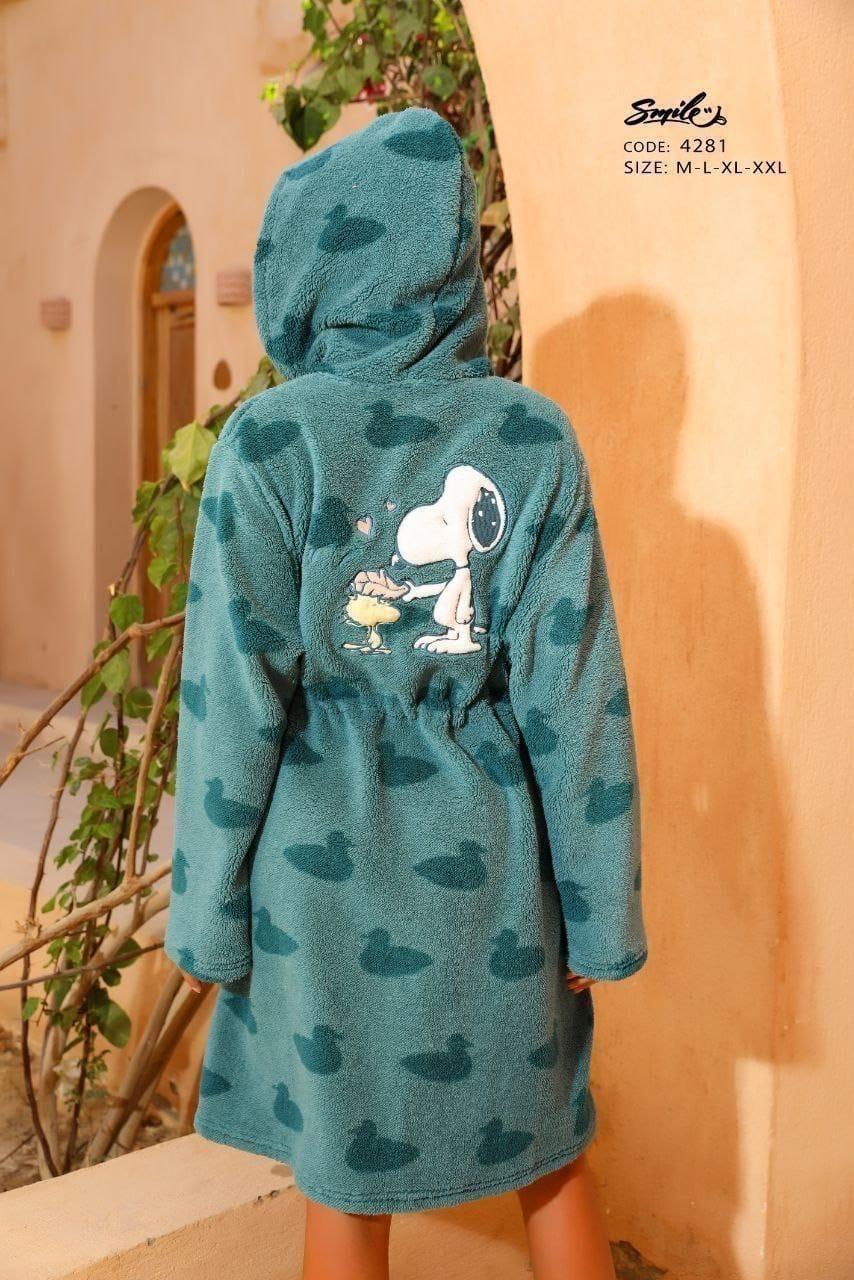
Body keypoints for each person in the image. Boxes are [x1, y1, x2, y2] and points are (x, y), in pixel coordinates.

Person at [165, 106, 647, 1280]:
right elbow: (576, 696)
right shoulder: (531, 439)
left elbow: (228, 706)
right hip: (496, 869)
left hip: (317, 883)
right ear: (447, 258)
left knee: (345, 1180)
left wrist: (207, 916)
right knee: (552, 1153)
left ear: (303, 268)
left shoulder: (268, 445)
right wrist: (598, 910)